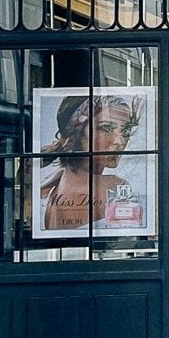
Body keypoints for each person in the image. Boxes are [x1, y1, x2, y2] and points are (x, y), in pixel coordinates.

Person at [38, 93, 144, 235]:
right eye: (106, 128)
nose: (120, 141)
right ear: (76, 131)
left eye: (125, 131)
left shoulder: (54, 184)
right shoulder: (115, 186)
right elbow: (126, 242)